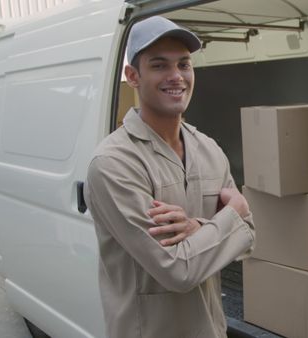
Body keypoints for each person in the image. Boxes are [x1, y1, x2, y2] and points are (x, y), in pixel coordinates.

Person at [84, 16, 255, 338]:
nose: (176, 76)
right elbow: (177, 270)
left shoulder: (208, 149)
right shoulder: (115, 163)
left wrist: (199, 228)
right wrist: (232, 216)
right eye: (160, 65)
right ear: (133, 76)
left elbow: (250, 238)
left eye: (184, 65)